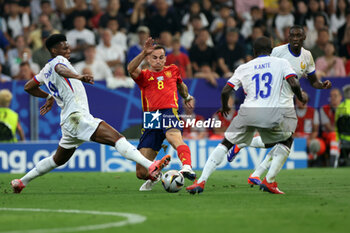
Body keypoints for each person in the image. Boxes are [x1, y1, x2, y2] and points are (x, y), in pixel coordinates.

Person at [10, 34, 170, 194]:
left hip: (69, 120)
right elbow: (60, 69)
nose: (68, 49)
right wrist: (78, 76)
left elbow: (28, 86)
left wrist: (49, 95)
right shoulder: (59, 61)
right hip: (77, 117)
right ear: (54, 50)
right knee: (117, 138)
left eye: (68, 46)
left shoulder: (44, 70)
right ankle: (151, 166)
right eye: (64, 47)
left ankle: (21, 182)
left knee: (57, 159)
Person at [186, 36, 306, 195]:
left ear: (254, 52)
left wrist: (223, 107)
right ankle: (269, 181)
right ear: (271, 51)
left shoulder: (245, 67)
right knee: (285, 140)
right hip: (272, 112)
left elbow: (226, 90)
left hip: (248, 111)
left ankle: (201, 181)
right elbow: (294, 83)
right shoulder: (281, 63)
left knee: (225, 143)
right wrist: (299, 97)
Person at [227, 26, 332, 186]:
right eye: (292, 35)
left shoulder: (307, 56)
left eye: (298, 35)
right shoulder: (277, 52)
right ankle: (250, 157)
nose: (295, 38)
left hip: (288, 100)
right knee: (285, 140)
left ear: (304, 38)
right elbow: (259, 65)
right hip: (275, 100)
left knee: (283, 140)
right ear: (288, 37)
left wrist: (322, 85)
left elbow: (313, 81)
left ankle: (255, 172)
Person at [127, 37, 196, 191]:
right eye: (154, 57)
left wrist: (187, 97)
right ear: (148, 59)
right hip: (151, 117)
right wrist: (143, 52)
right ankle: (157, 175)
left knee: (173, 137)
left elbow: (181, 85)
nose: (158, 61)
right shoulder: (144, 76)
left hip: (168, 110)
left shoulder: (173, 70)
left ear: (165, 58)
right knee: (141, 172)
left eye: (161, 57)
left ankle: (187, 166)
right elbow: (130, 69)